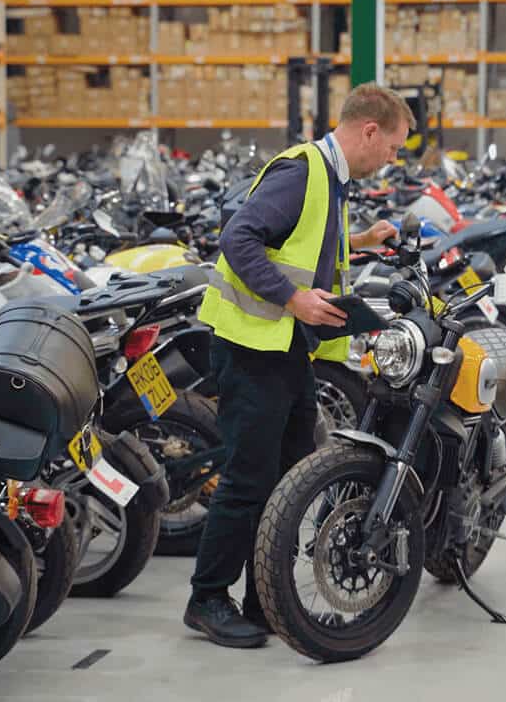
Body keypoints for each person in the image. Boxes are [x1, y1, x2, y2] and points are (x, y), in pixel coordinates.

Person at [184, 82, 416, 648]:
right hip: (251, 346)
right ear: (369, 130)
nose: (392, 158)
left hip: (286, 349)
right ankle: (207, 599)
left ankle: (263, 599)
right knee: (247, 478)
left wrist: (358, 241)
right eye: (392, 146)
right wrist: (292, 299)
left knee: (292, 477)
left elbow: (300, 247)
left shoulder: (332, 183)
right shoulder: (301, 171)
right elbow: (239, 239)